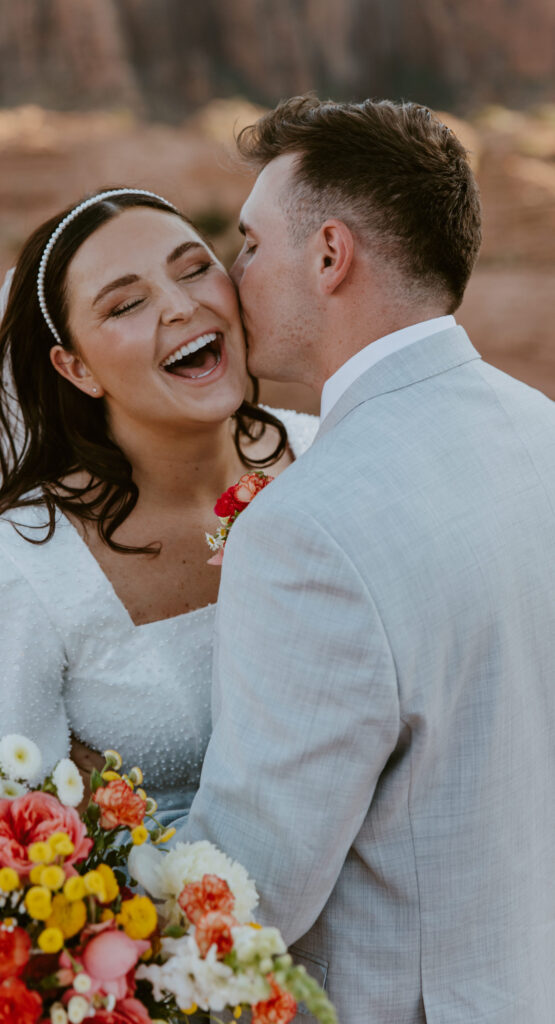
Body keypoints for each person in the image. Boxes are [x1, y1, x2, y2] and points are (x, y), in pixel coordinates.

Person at [183, 98, 555, 1022]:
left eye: (251, 245)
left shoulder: (308, 527)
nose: (233, 279)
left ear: (329, 254)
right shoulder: (540, 431)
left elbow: (249, 888)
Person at [0, 187, 318, 815]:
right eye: (127, 304)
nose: (181, 305)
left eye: (195, 269)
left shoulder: (332, 455)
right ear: (76, 367)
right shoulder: (5, 582)